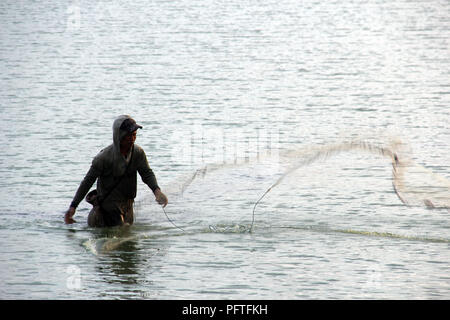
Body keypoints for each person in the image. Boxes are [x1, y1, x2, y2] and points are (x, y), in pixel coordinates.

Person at [64, 115, 168, 227]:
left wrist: (157, 191)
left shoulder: (138, 153)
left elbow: (147, 173)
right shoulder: (103, 158)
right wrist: (73, 206)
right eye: (128, 136)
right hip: (107, 209)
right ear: (119, 136)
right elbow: (87, 182)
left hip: (127, 206)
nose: (132, 139)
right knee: (118, 232)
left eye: (134, 135)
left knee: (127, 236)